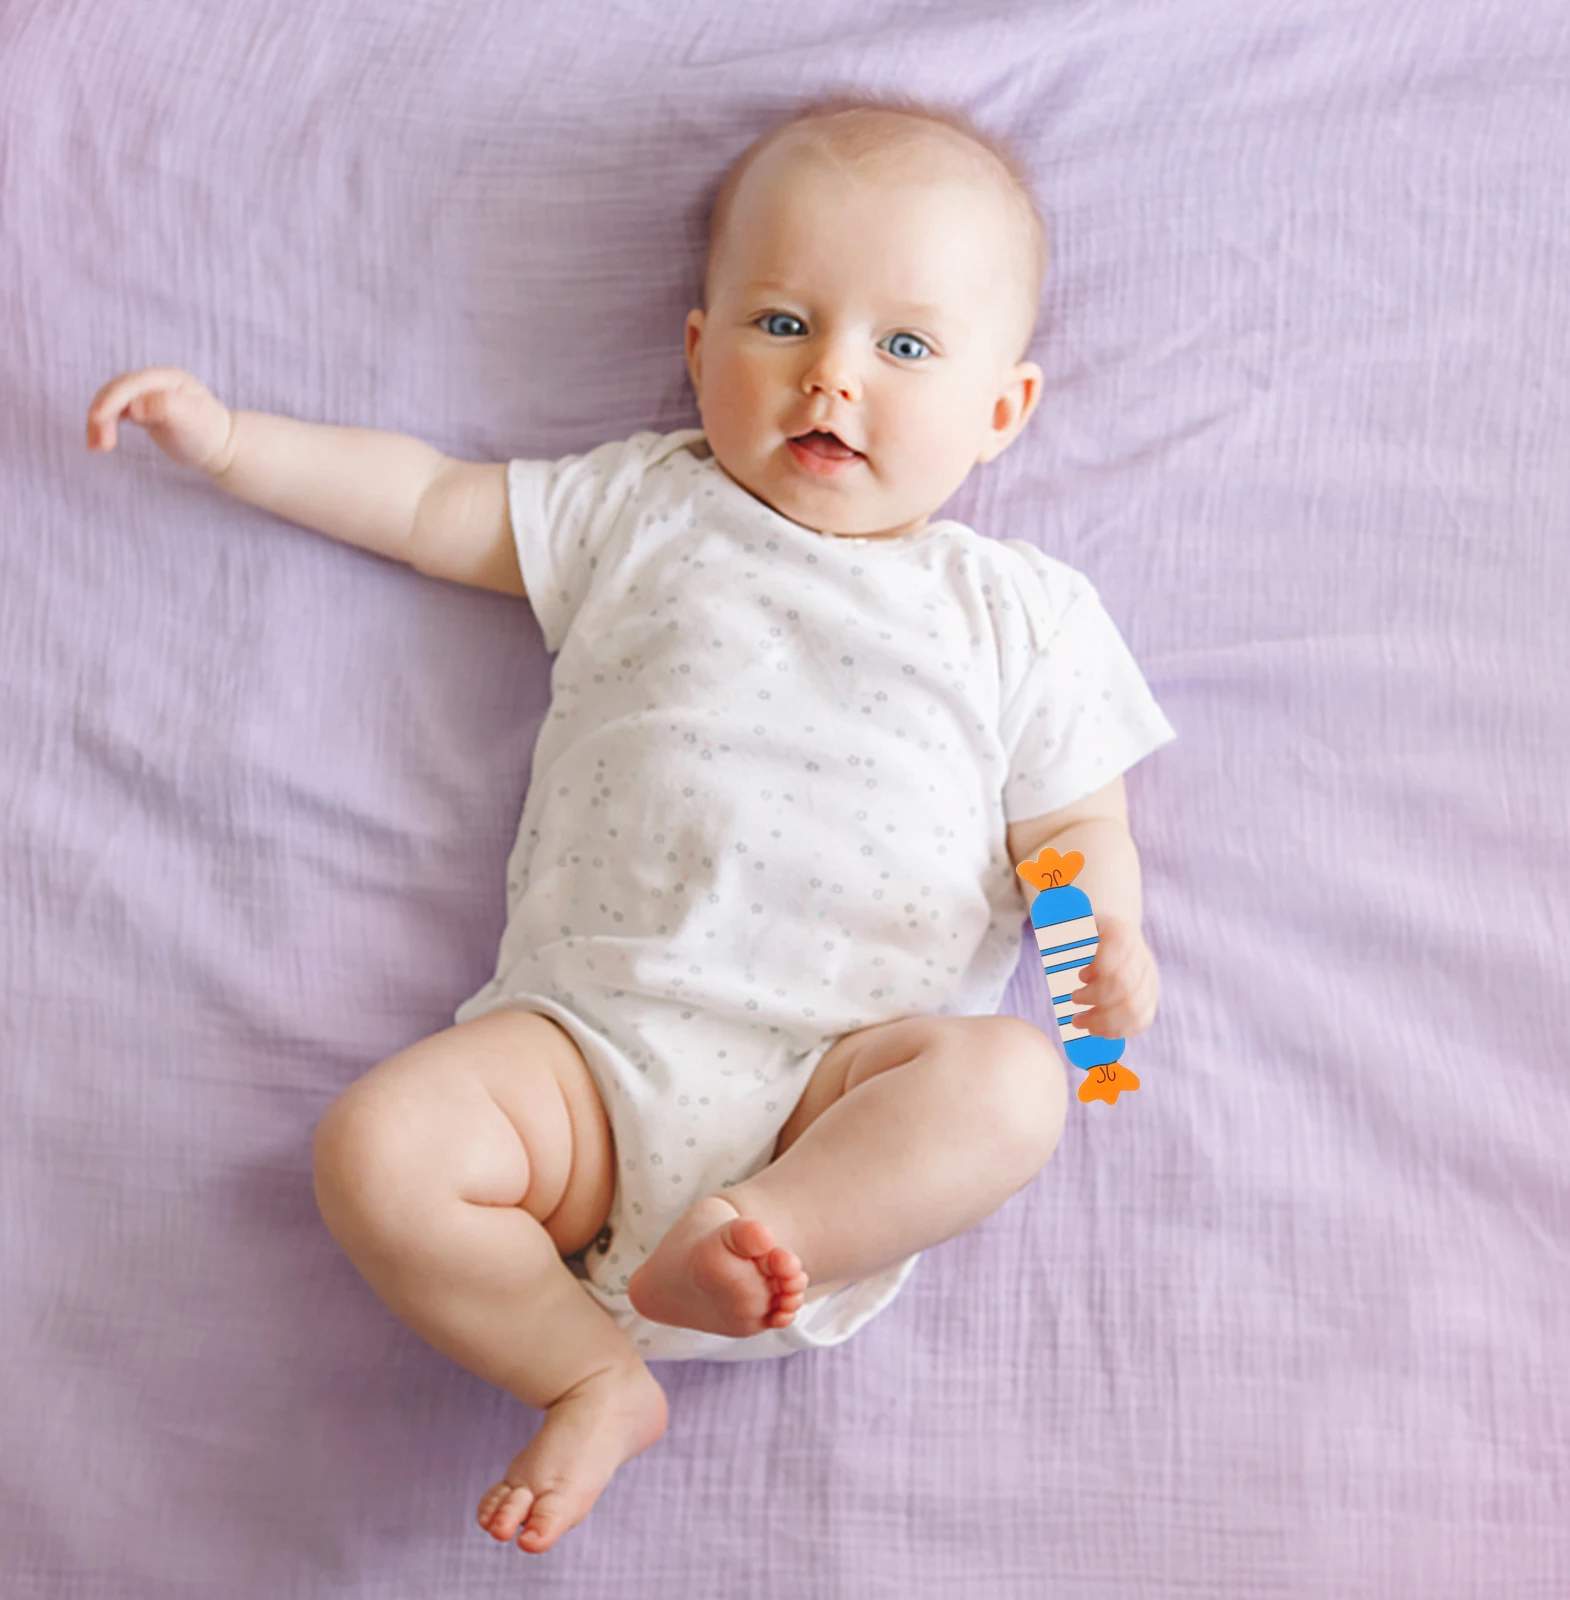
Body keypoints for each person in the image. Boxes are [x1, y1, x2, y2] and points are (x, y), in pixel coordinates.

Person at [84, 92, 1176, 1557]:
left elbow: (1066, 834)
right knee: (381, 1147)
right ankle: (590, 1373)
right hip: (591, 1063)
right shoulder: (641, 511)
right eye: (782, 323)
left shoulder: (1020, 613)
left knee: (1013, 1089)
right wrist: (228, 443)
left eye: (902, 348)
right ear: (696, 346)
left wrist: (1102, 969)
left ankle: (772, 1231)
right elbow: (422, 499)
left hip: (833, 1086)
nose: (831, 380)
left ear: (1002, 410)